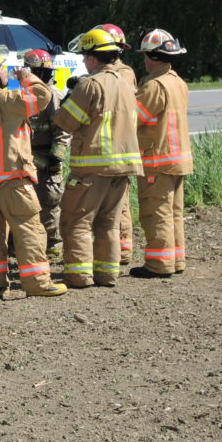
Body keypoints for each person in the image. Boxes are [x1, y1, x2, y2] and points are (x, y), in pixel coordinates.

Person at [0, 47, 68, 299]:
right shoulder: (7, 100)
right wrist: (26, 77)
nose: (7, 72)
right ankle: (38, 284)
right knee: (29, 229)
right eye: (2, 68)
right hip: (12, 182)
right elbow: (42, 96)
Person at [55, 28, 142, 288]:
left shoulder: (91, 84)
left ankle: (79, 276)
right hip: (123, 169)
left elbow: (66, 122)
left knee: (77, 222)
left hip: (92, 169)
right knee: (109, 224)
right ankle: (106, 275)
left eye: (84, 56)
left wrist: (67, 98)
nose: (83, 61)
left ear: (93, 58)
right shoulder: (125, 84)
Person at [130, 29, 193, 278]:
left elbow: (135, 118)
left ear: (154, 57)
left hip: (158, 160)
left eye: (146, 55)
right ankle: (176, 260)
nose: (144, 60)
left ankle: (159, 265)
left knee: (155, 213)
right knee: (174, 213)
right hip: (179, 160)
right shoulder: (178, 81)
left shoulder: (155, 85)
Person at [94, 23, 138, 265]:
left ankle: (121, 252)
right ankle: (115, 252)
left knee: (119, 206)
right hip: (109, 147)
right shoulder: (119, 72)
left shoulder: (123, 73)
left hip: (117, 147)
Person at [22, 49, 71, 256]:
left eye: (31, 70)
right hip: (27, 159)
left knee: (50, 202)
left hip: (47, 158)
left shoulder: (52, 96)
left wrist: (56, 156)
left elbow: (63, 129)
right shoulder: (26, 95)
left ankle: (53, 245)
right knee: (25, 204)